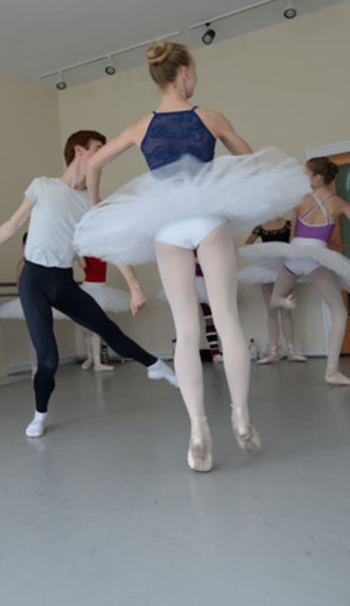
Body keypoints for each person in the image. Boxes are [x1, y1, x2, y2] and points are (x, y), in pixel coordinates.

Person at [74, 40, 309, 471]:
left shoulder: (141, 126)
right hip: (207, 218)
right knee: (227, 319)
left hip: (167, 224)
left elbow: (93, 165)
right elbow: (250, 161)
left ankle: (198, 428)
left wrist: (95, 204)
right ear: (184, 72)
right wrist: (239, 190)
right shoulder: (209, 117)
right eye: (194, 70)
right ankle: (241, 417)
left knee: (185, 330)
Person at [0, 130, 177, 438]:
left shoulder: (92, 202)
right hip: (34, 279)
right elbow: (12, 224)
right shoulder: (43, 186)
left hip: (63, 280)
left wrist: (134, 287)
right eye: (98, 149)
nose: (103, 155)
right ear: (79, 151)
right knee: (48, 359)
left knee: (108, 329)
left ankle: (156, 366)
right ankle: (40, 415)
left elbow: (111, 246)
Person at [240, 157, 350, 386]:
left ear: (317, 177)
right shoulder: (339, 203)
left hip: (294, 255)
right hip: (317, 258)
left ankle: (285, 301)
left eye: (306, 173)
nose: (303, 177)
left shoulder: (301, 199)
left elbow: (293, 235)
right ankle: (331, 371)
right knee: (339, 312)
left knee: (274, 302)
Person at [240, 218, 306, 364]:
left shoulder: (288, 224)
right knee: (271, 310)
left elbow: (296, 243)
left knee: (287, 311)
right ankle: (273, 352)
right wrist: (264, 252)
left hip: (285, 267)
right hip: (266, 269)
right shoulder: (260, 226)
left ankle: (291, 352)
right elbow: (248, 244)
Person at [77, 256, 146, 371]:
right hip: (88, 288)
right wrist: (78, 253)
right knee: (86, 329)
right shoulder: (82, 251)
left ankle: (97, 363)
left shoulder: (102, 250)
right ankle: (90, 358)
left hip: (100, 289)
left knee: (96, 327)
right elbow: (83, 265)